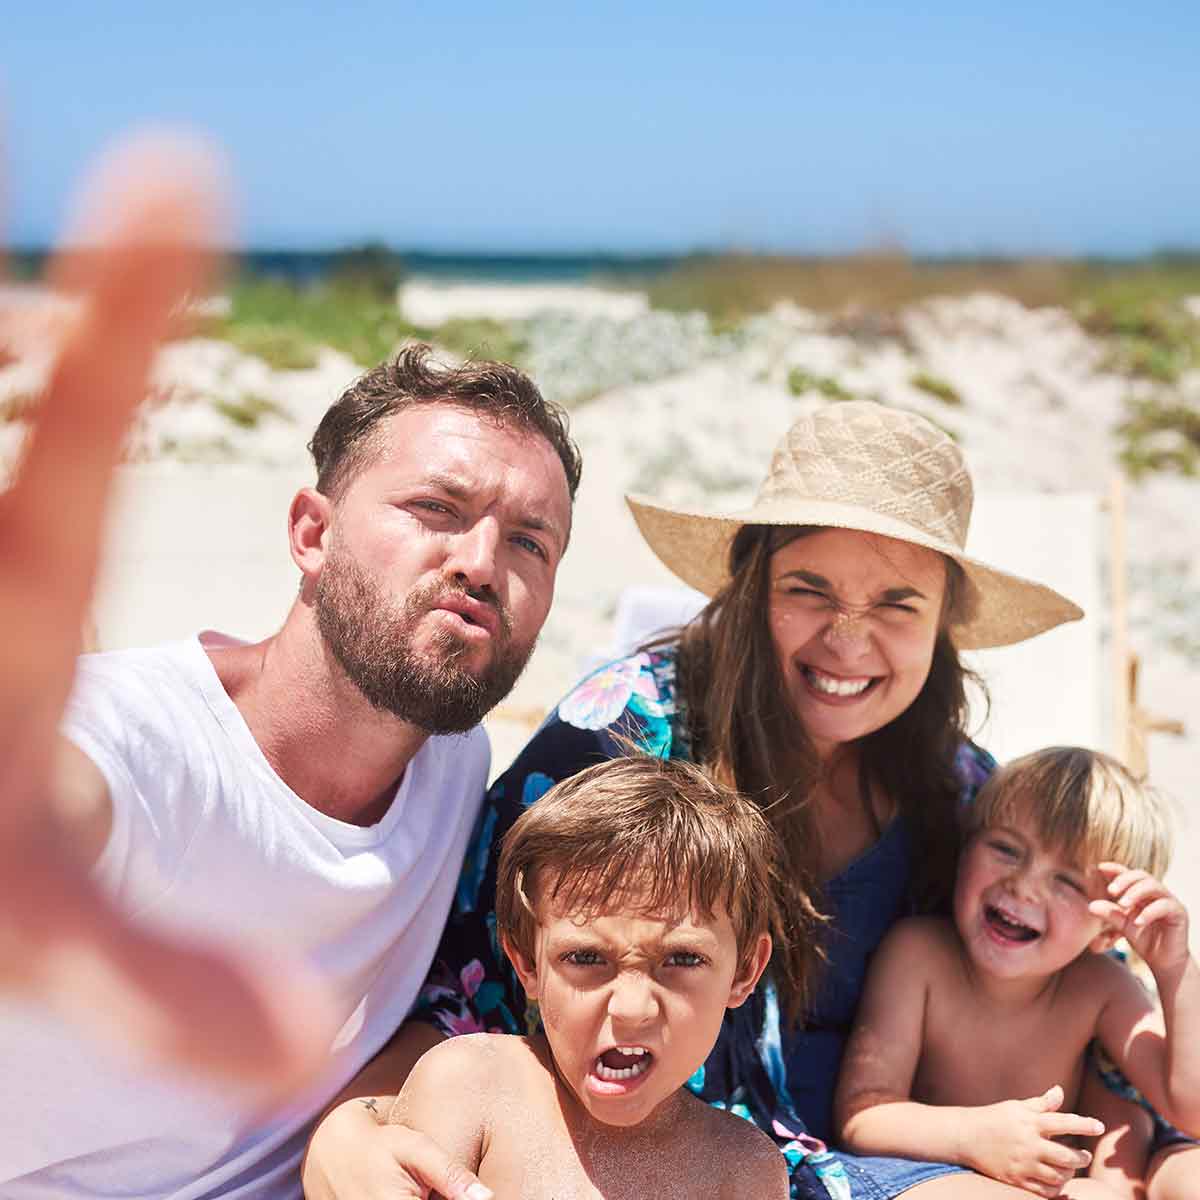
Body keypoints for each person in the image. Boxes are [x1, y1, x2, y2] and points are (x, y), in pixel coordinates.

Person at [305, 399, 1195, 1200]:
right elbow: (475, 981)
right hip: (667, 1155)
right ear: (752, 588)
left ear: (942, 629)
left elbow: (1088, 996)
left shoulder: (961, 793)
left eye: (897, 605)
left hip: (865, 1155)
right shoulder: (626, 730)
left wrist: (1154, 1154)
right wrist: (351, 1125)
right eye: (810, 590)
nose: (849, 639)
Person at [1, 131, 583, 1196]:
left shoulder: (455, 768)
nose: (481, 563)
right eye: (434, 510)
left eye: (530, 542)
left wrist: (361, 1121)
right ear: (310, 533)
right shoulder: (133, 742)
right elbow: (49, 802)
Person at [391, 754, 789, 1199]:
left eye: (681, 960)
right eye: (585, 957)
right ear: (526, 962)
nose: (632, 1009)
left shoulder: (741, 1172)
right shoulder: (471, 1089)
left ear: (746, 970)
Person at [833, 747, 1200, 1198]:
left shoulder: (1100, 985)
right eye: (1005, 849)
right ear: (964, 850)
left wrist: (1174, 968)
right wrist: (972, 1136)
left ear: (1107, 930)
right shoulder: (918, 956)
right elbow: (862, 1116)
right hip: (945, 1178)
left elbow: (1191, 1110)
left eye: (1067, 881)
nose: (1023, 885)